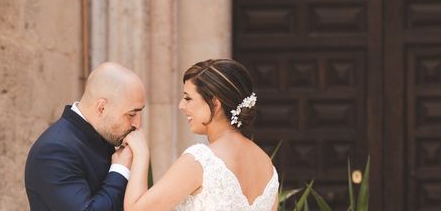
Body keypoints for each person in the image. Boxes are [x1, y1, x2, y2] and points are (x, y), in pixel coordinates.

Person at [123, 58, 279, 211]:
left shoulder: (202, 160)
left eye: (188, 98)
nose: (181, 106)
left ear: (215, 104)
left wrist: (141, 153)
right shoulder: (268, 167)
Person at [25, 62, 146, 211]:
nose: (138, 124)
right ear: (101, 108)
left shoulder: (106, 136)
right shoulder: (54, 151)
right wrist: (120, 170)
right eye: (132, 114)